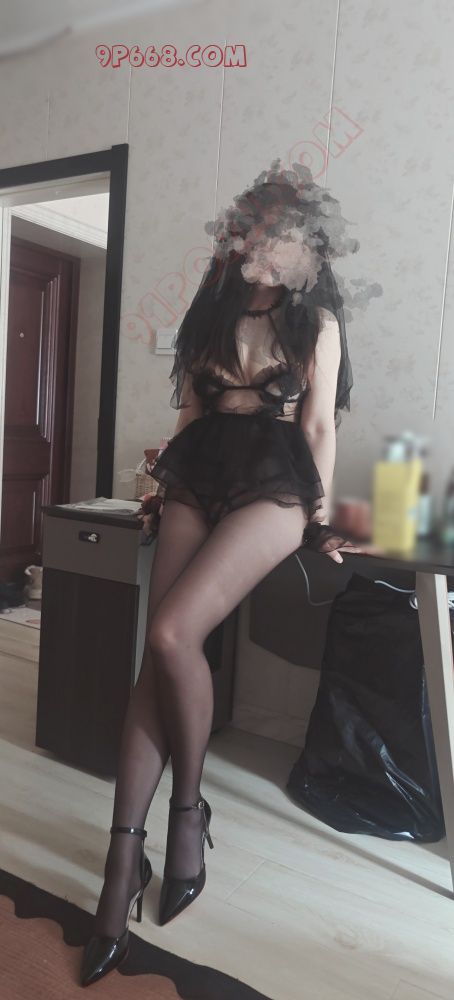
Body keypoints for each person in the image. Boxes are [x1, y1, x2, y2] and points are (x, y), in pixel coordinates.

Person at [80, 162, 366, 988]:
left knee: (175, 632)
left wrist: (320, 520)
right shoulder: (209, 308)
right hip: (200, 472)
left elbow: (318, 426)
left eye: (283, 233)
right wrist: (154, 488)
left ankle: (188, 810)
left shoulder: (317, 321)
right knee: (158, 655)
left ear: (307, 245)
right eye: (254, 230)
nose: (264, 245)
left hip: (276, 482)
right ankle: (122, 862)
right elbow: (190, 412)